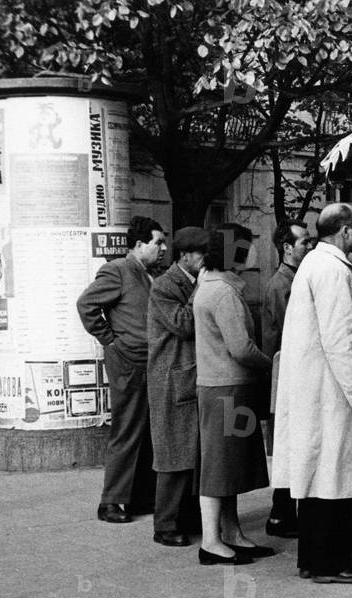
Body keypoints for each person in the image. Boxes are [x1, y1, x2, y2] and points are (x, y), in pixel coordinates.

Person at [271, 203, 352, 584]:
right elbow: (341, 338)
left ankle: (315, 560)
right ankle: (330, 564)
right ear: (346, 230)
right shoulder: (333, 271)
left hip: (319, 389)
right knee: (335, 477)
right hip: (333, 391)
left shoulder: (316, 265)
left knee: (321, 476)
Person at [77, 216, 166, 524]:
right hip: (128, 363)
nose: (163, 248)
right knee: (127, 430)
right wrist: (111, 341)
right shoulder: (118, 270)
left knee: (145, 433)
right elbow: (86, 304)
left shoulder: (148, 273)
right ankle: (111, 502)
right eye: (158, 243)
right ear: (140, 245)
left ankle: (140, 497)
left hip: (147, 362)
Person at [193, 230, 275, 565]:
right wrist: (270, 363)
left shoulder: (210, 284)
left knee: (228, 466)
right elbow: (241, 347)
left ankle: (231, 532)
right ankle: (211, 541)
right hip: (229, 388)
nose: (256, 249)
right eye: (250, 245)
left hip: (220, 387)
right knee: (219, 467)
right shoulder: (224, 292)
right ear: (236, 252)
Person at [146, 226, 210, 547]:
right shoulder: (164, 286)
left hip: (185, 376)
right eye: (201, 254)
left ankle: (186, 518)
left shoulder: (183, 281)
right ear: (185, 255)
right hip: (170, 379)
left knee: (190, 452)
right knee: (173, 454)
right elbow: (184, 324)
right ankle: (165, 524)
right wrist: (202, 289)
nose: (205, 259)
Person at [260, 218, 315, 538]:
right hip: (287, 377)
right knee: (289, 447)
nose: (310, 246)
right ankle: (280, 514)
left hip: (288, 376)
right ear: (286, 248)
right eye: (304, 242)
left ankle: (284, 512)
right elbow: (284, 339)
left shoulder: (293, 279)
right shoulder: (283, 286)